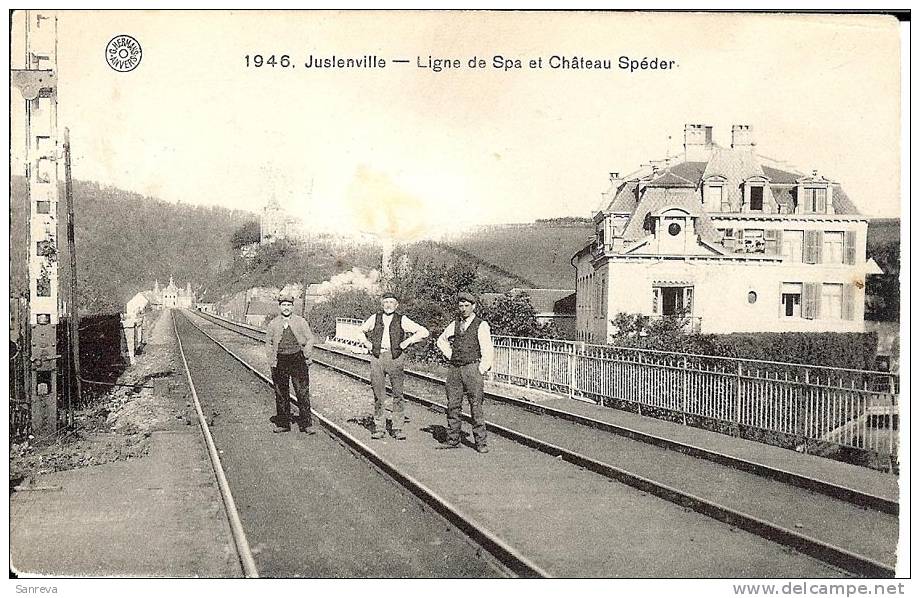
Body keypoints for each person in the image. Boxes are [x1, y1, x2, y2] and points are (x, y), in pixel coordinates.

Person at [359, 292, 430, 440]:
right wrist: (367, 343)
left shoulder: (401, 319)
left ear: (396, 305)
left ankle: (397, 427)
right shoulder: (375, 318)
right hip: (377, 357)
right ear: (382, 304)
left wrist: (408, 341)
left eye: (391, 302)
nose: (388, 305)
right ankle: (379, 427)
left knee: (398, 394)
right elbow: (360, 330)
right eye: (385, 302)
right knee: (378, 394)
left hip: (395, 357)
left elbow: (424, 331)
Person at [435, 291, 494, 453]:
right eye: (461, 306)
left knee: (476, 406)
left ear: (473, 307)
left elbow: (487, 350)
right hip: (455, 370)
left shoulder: (481, 325)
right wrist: (450, 355)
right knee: (453, 404)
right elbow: (441, 341)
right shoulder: (454, 324)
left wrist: (480, 369)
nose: (463, 309)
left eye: (467, 306)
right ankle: (453, 439)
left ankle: (481, 443)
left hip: (472, 369)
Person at [265, 290, 316, 434]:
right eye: (283, 305)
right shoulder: (273, 323)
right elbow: (268, 342)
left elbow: (310, 338)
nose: (286, 308)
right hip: (280, 359)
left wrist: (306, 353)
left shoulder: (300, 321)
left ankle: (306, 424)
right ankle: (283, 423)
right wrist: (271, 359)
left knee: (302, 392)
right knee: (281, 392)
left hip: (297, 359)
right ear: (280, 307)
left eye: (289, 305)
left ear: (292, 307)